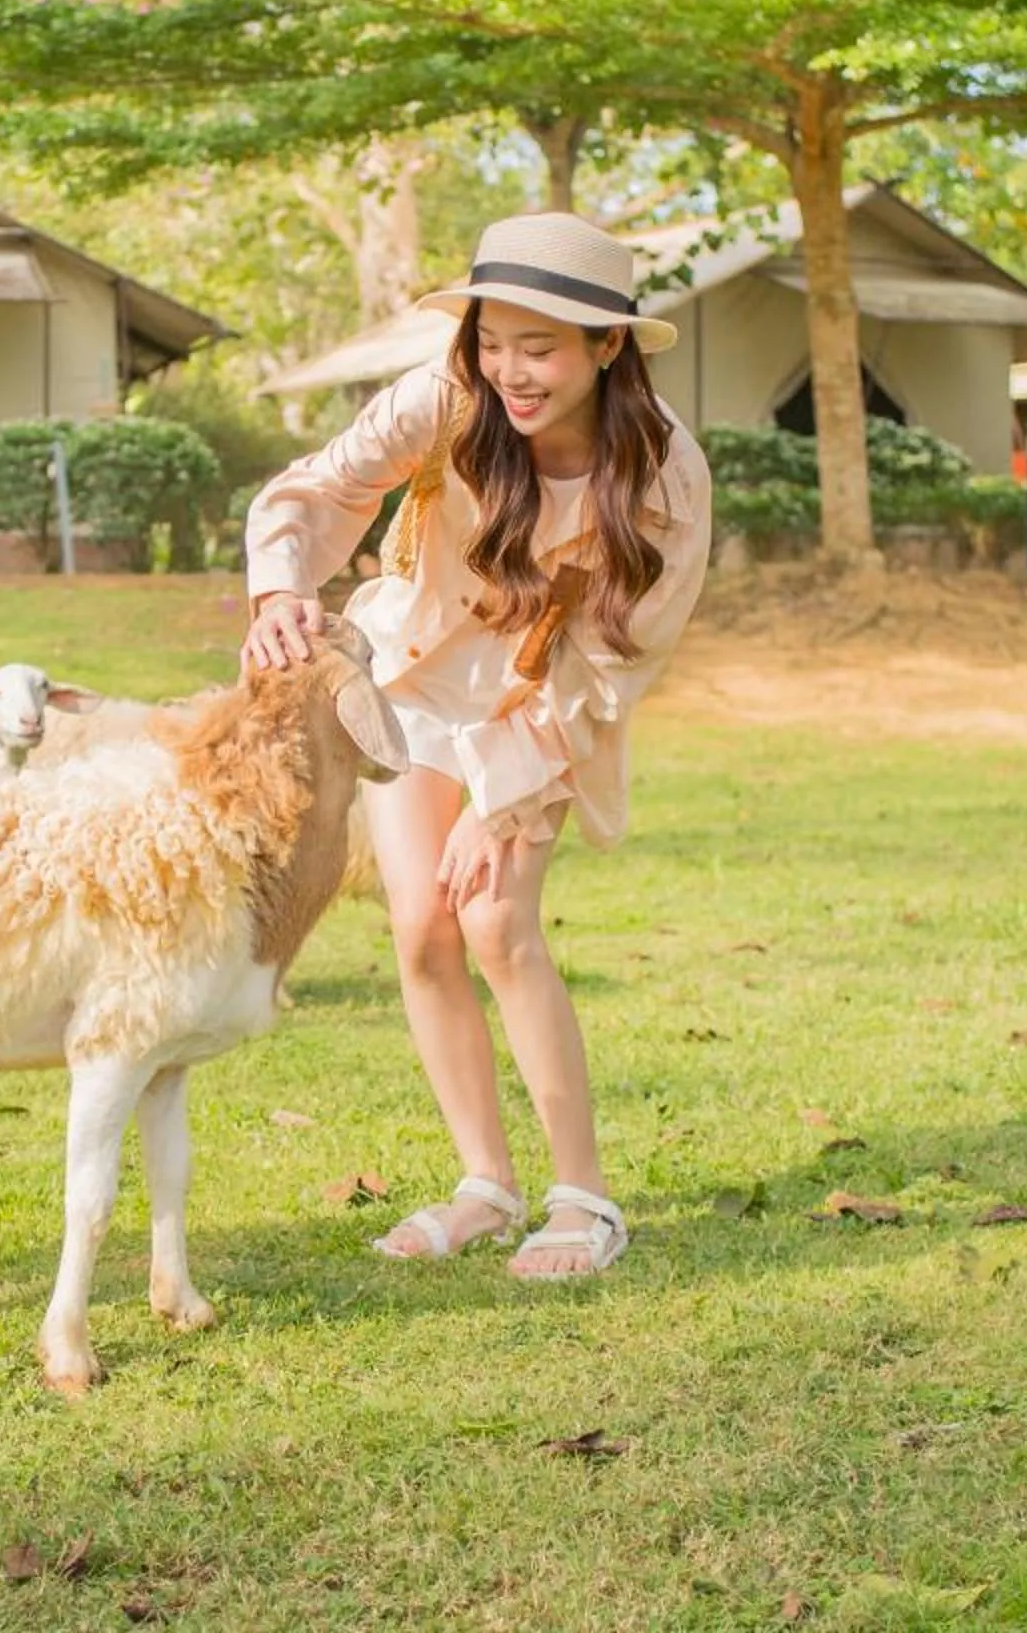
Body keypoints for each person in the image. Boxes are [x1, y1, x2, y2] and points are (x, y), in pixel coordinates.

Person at [240, 210, 711, 1279]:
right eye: (493, 341)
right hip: (413, 681)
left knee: (496, 922)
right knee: (421, 928)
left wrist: (501, 801)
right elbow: (328, 485)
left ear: (609, 344)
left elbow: (617, 659)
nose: (510, 371)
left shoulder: (665, 474)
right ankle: (485, 1187)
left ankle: (584, 1201)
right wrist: (280, 588)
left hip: (542, 703)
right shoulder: (448, 397)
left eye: (539, 348)